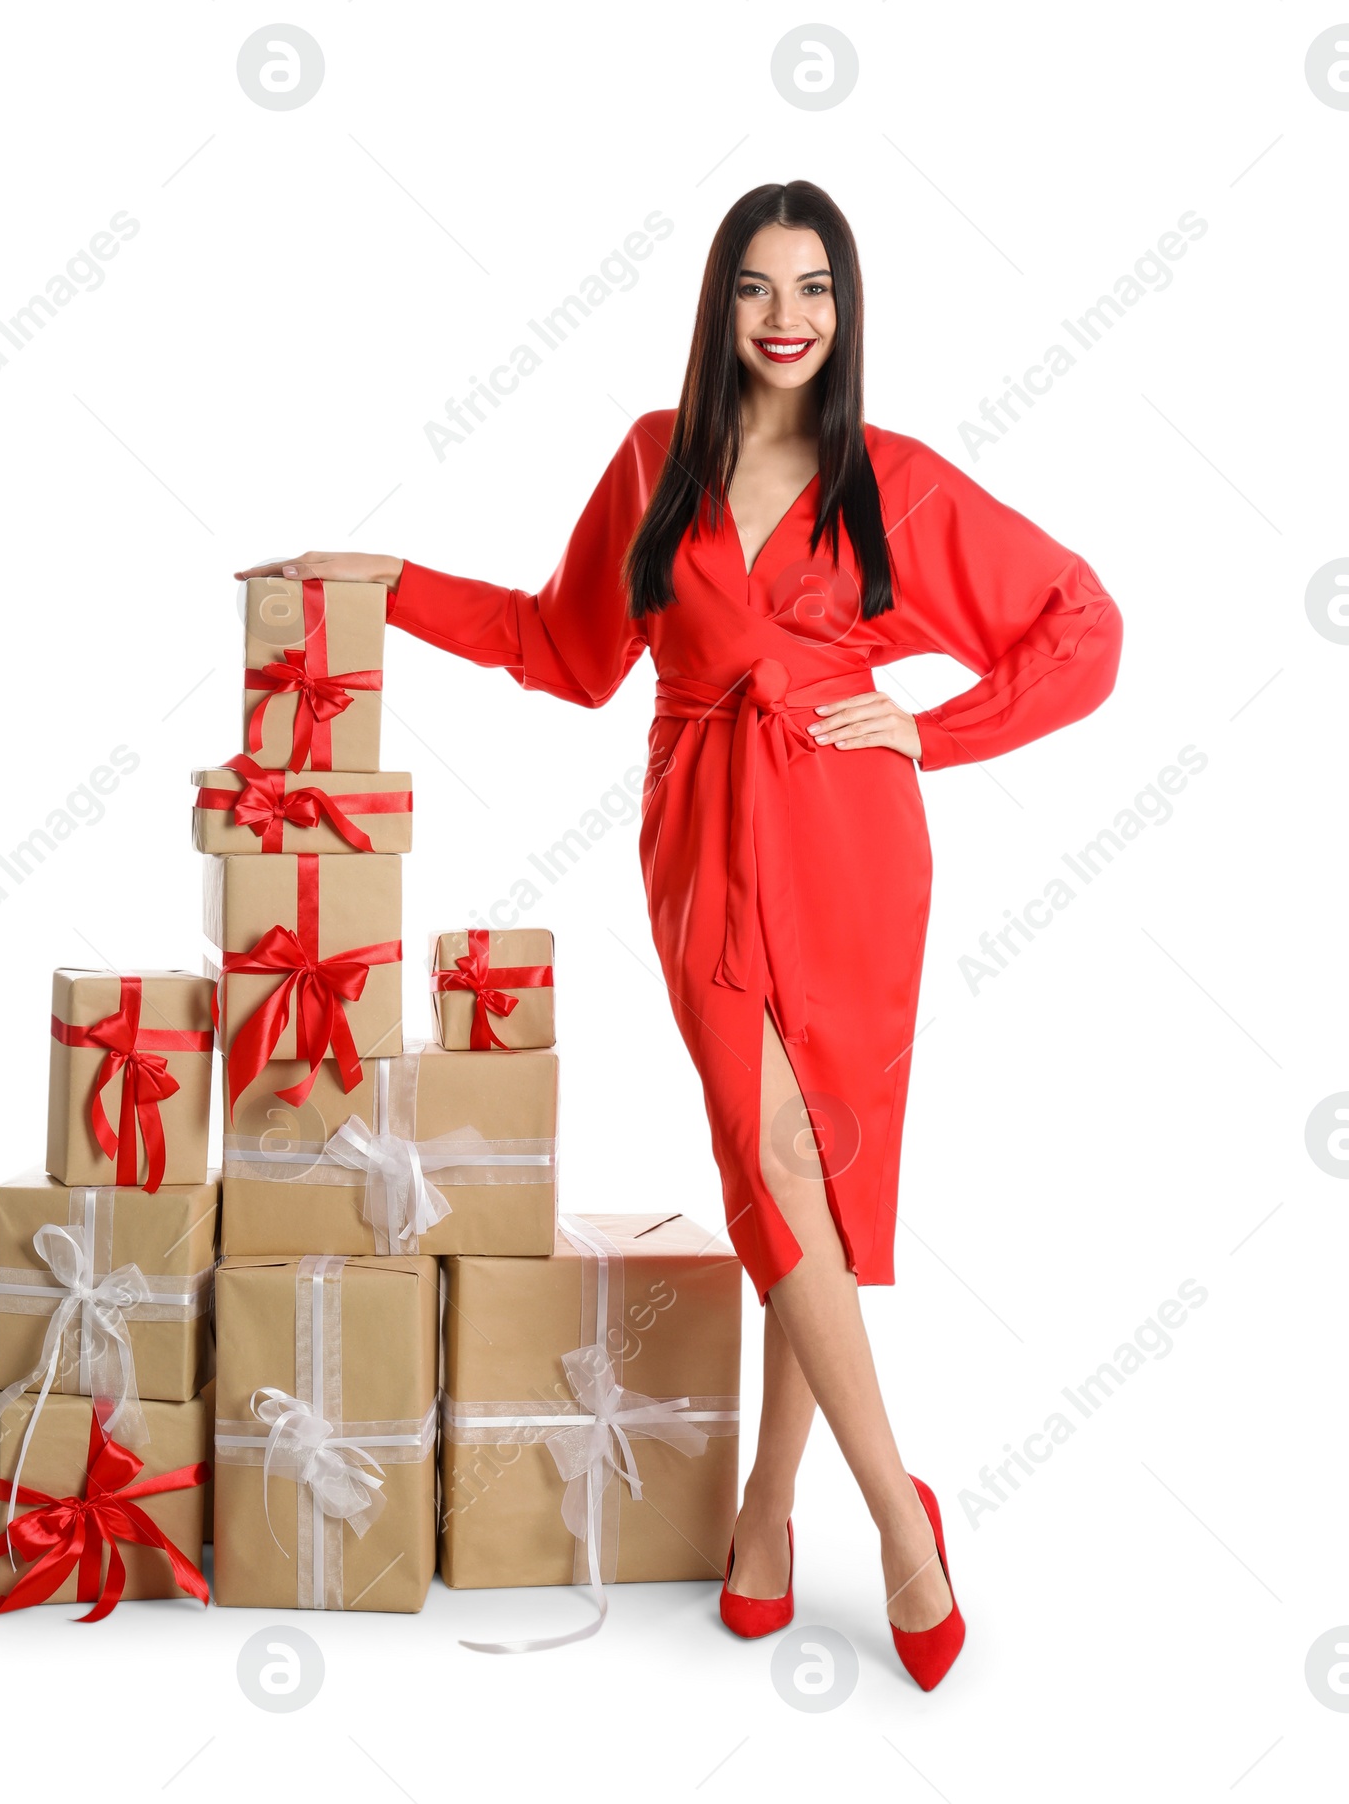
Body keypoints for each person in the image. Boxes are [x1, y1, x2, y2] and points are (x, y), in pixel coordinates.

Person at [237, 180, 1124, 1688]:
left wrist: (933, 730)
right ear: (719, 306)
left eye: (817, 290)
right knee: (775, 1163)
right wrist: (388, 589)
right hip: (704, 846)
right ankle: (900, 1514)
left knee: (811, 1198)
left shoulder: (891, 483)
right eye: (759, 289)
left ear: (847, 314)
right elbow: (565, 646)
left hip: (851, 846)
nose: (789, 319)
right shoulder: (657, 458)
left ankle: (770, 1510)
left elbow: (1082, 624)